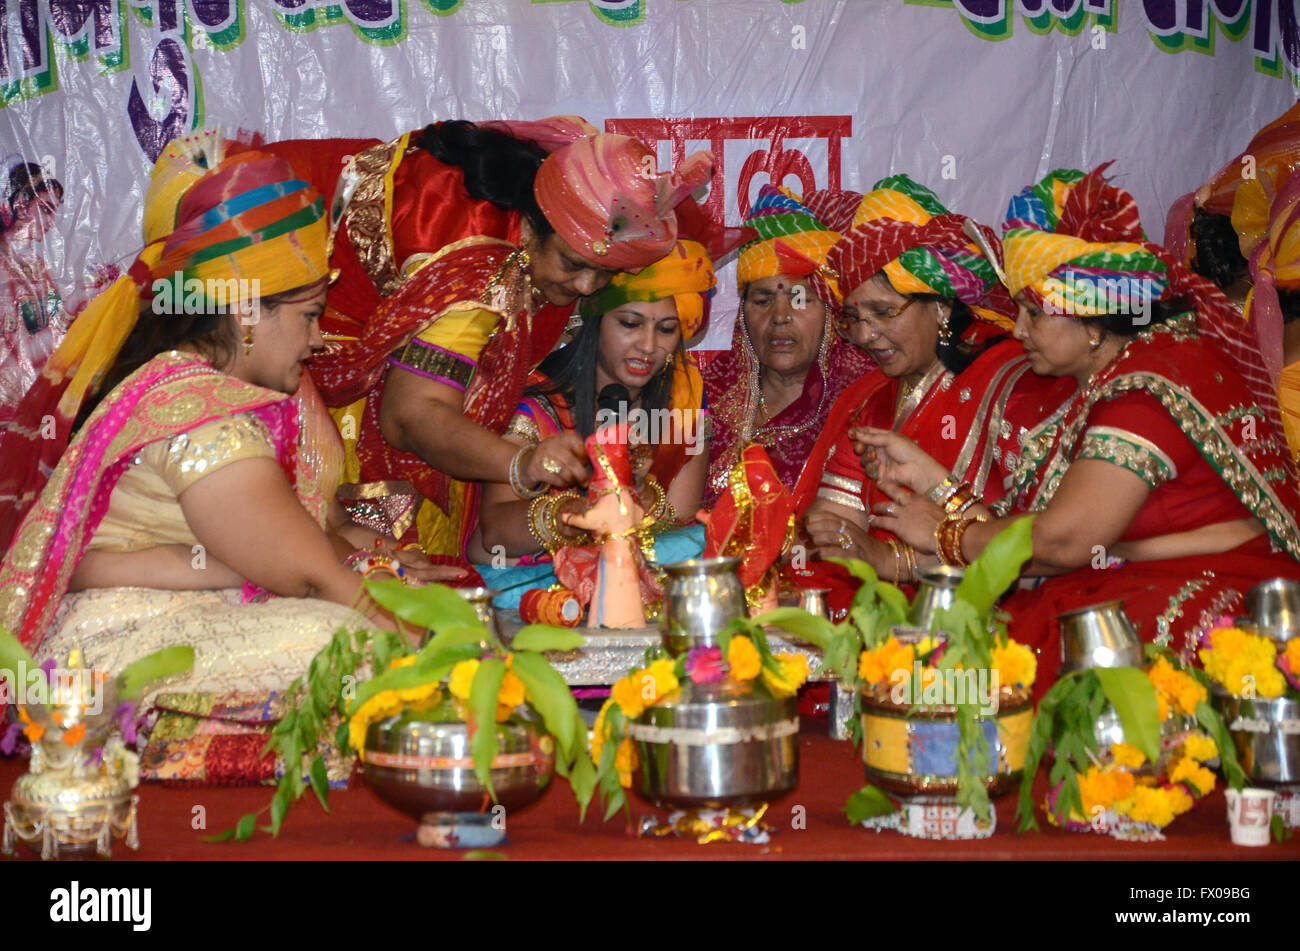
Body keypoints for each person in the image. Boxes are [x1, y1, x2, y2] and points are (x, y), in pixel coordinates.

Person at [0, 134, 459, 699]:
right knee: (349, 644)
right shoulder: (201, 414)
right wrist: (443, 656)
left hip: (143, 620)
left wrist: (362, 573)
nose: (318, 340)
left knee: (360, 621)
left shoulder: (183, 385)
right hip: (112, 640)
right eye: (310, 315)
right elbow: (309, 573)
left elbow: (285, 554)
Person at [859, 165, 1300, 699]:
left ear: (1093, 321)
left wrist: (943, 533)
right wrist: (938, 485)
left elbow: (1064, 541)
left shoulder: (1148, 385)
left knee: (1009, 661)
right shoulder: (1104, 382)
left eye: (1032, 313)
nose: (1016, 329)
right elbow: (1044, 538)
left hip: (1212, 603)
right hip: (1141, 579)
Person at [242, 121, 712, 565]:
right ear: (534, 229)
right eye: (572, 264)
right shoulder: (480, 274)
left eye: (604, 273)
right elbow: (410, 417)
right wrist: (522, 463)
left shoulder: (549, 213)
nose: (588, 287)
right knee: (386, 567)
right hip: (289, 335)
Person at [793, 176, 1072, 584]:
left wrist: (896, 561)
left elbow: (1040, 559)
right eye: (854, 318)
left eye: (884, 312)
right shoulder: (872, 400)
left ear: (941, 306)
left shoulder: (1015, 381)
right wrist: (823, 536)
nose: (866, 336)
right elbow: (836, 522)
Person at [474, 240, 715, 561]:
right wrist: (578, 515)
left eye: (667, 329)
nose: (648, 345)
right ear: (595, 322)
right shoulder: (538, 406)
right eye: (630, 323)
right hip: (534, 593)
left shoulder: (682, 411)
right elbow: (495, 533)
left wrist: (643, 497)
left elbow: (678, 530)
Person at [702, 185, 871, 507]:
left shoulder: (861, 397)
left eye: (799, 299)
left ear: (830, 310)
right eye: (762, 300)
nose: (779, 317)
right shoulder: (711, 391)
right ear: (743, 312)